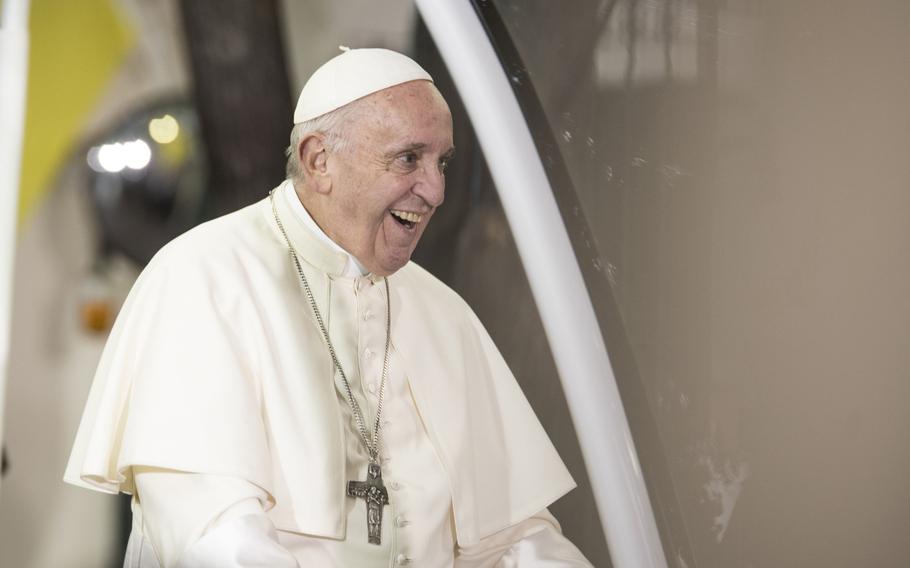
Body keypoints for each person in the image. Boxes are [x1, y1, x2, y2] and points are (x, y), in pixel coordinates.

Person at [65, 48, 593, 567]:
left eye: (442, 162)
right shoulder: (203, 278)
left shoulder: (443, 313)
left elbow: (516, 537)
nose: (434, 190)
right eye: (409, 158)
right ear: (320, 160)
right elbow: (213, 535)